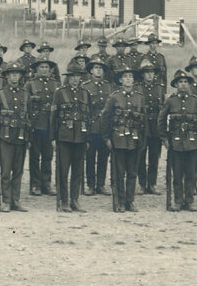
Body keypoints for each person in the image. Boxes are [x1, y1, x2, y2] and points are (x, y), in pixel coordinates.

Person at [161, 65, 197, 212]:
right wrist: (164, 138)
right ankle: (177, 200)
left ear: (188, 84)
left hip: (192, 142)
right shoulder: (170, 100)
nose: (183, 84)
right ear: (176, 84)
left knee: (190, 173)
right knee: (177, 173)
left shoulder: (196, 101)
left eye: (185, 81)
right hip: (175, 143)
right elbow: (161, 119)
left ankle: (189, 201)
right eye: (180, 82)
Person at [105, 64, 149, 212]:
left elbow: (144, 119)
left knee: (132, 172)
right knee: (119, 173)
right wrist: (107, 138)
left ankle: (130, 201)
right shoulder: (114, 97)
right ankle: (120, 201)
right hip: (118, 139)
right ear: (120, 80)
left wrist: (144, 138)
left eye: (130, 77)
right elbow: (106, 118)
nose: (128, 79)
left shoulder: (140, 97)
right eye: (125, 77)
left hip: (135, 139)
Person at [51, 64, 93, 212]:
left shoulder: (85, 93)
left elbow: (88, 117)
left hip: (80, 137)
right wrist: (53, 138)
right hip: (64, 137)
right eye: (73, 76)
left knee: (78, 171)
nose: (75, 79)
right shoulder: (60, 93)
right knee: (63, 171)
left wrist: (87, 138)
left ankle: (74, 200)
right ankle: (64, 200)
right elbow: (54, 117)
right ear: (68, 77)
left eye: (78, 76)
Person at [0, 63, 33, 212]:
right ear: (7, 76)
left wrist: (29, 138)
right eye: (12, 74)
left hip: (21, 137)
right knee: (5, 171)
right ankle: (6, 201)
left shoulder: (25, 94)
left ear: (21, 76)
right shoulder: (0, 94)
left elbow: (29, 117)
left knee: (18, 171)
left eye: (17, 73)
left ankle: (16, 200)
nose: (14, 76)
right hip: (5, 138)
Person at [136, 35, 168, 193]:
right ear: (142, 74)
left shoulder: (159, 88)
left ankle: (152, 183)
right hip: (143, 125)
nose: (149, 75)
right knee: (141, 154)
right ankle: (142, 184)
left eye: (152, 73)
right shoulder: (138, 88)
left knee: (155, 155)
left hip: (155, 125)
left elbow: (162, 107)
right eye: (146, 73)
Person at [25, 54, 58, 196]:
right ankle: (35, 185)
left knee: (48, 156)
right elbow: (25, 104)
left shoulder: (55, 84)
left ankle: (47, 184)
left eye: (47, 67)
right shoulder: (30, 84)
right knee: (34, 156)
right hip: (36, 125)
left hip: (50, 125)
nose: (44, 70)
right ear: (36, 69)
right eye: (42, 67)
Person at [83, 57, 112, 196]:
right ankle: (90, 184)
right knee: (89, 157)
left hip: (105, 127)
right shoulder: (85, 86)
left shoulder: (109, 86)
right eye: (96, 68)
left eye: (100, 68)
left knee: (103, 157)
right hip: (91, 126)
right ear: (91, 70)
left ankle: (101, 184)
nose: (98, 70)